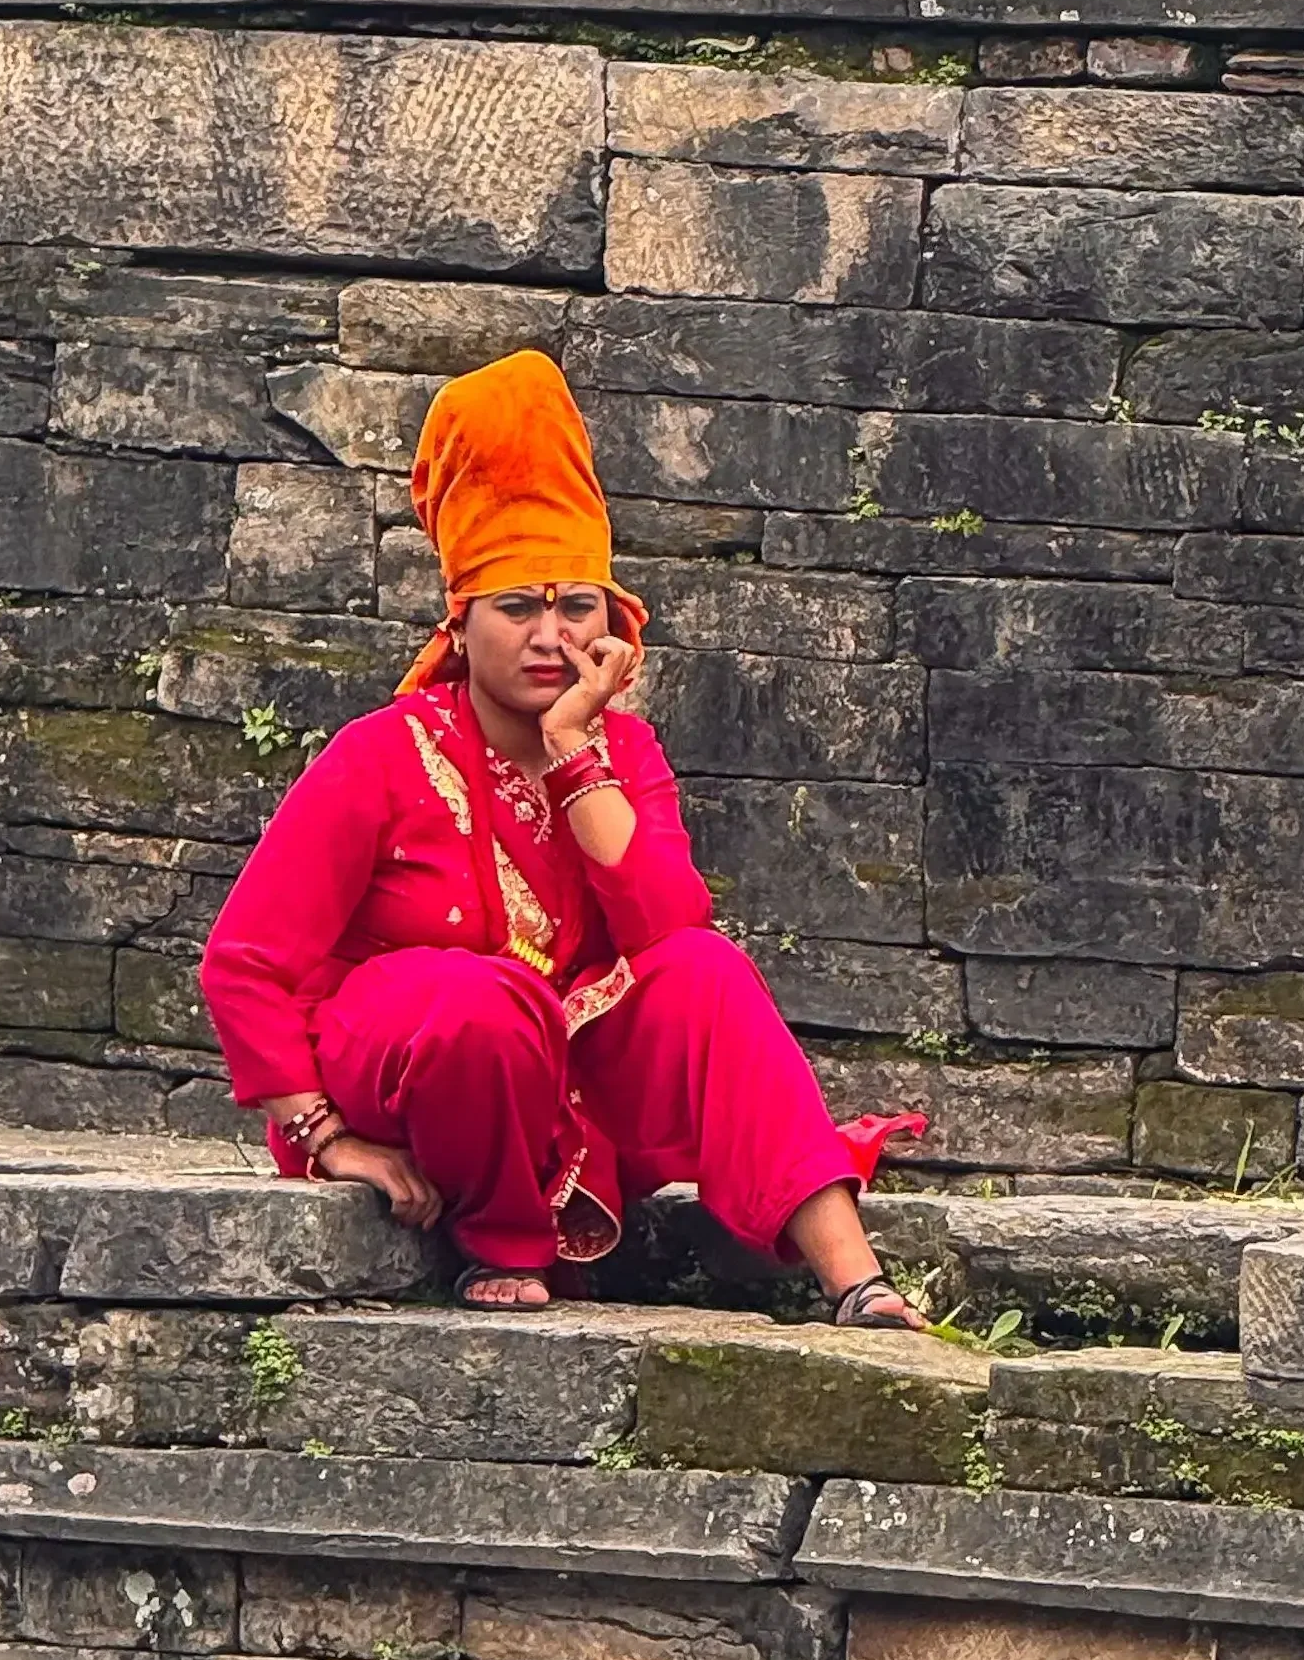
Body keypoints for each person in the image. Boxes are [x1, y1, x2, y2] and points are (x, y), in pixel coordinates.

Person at [200, 351, 926, 1326]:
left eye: (574, 604)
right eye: (517, 606)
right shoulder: (381, 753)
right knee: (480, 998)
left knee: (705, 969)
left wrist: (574, 749)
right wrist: (327, 1138)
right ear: (460, 626)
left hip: (561, 1093)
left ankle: (857, 1280)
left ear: (610, 623)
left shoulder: (618, 748)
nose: (550, 634)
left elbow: (665, 924)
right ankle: (503, 1243)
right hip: (408, 1072)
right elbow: (242, 963)